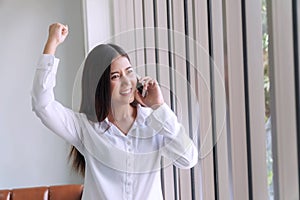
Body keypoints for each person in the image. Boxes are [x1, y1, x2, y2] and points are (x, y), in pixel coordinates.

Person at [31, 23, 198, 200]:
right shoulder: (85, 128)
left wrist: (159, 107)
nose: (127, 82)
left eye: (129, 72)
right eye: (115, 76)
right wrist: (52, 43)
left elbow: (188, 159)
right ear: (99, 85)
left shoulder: (154, 121)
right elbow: (42, 105)